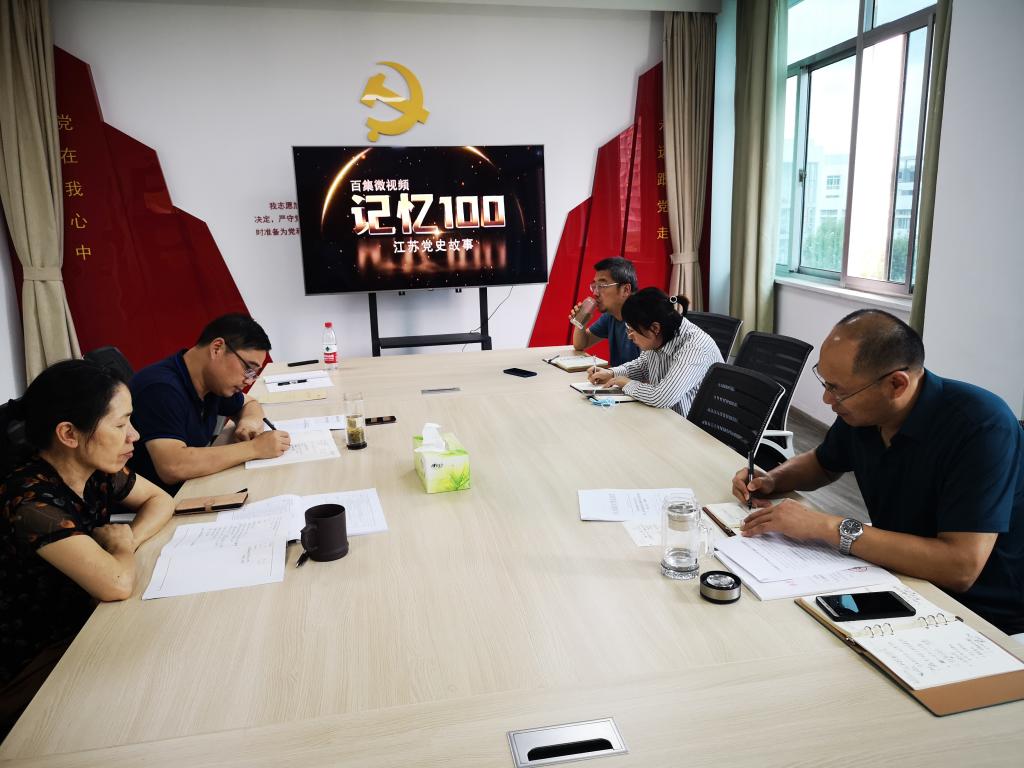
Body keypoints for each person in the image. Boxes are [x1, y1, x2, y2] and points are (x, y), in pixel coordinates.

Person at [732, 309, 1024, 638]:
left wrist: (828, 527)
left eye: (837, 389)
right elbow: (823, 462)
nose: (827, 399)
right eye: (825, 382)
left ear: (896, 384)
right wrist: (773, 478)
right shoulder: (864, 412)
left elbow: (961, 566)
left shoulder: (981, 427)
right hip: (895, 574)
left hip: (980, 614)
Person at [0, 359, 174, 735]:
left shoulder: (95, 470)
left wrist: (127, 539)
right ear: (69, 434)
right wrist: (120, 553)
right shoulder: (30, 500)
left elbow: (160, 500)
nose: (134, 435)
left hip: (85, 623)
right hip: (32, 662)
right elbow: (116, 584)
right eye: (120, 425)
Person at [129, 314, 290, 495]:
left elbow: (250, 403)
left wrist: (248, 424)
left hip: (193, 486)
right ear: (217, 348)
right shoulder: (160, 389)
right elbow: (173, 466)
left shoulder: (211, 382)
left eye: (254, 374)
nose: (248, 380)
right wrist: (255, 448)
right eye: (248, 369)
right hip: (163, 501)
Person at [587, 288, 722, 416]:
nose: (629, 336)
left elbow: (663, 397)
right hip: (666, 416)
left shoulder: (694, 347)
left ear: (655, 328)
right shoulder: (661, 335)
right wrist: (612, 373)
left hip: (693, 427)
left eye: (632, 330)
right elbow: (643, 365)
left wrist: (627, 383)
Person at [570, 256, 641, 367]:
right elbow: (580, 344)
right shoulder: (611, 316)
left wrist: (611, 374)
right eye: (594, 286)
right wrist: (581, 321)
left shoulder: (643, 319)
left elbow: (649, 372)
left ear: (625, 289)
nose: (595, 293)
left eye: (602, 286)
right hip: (617, 377)